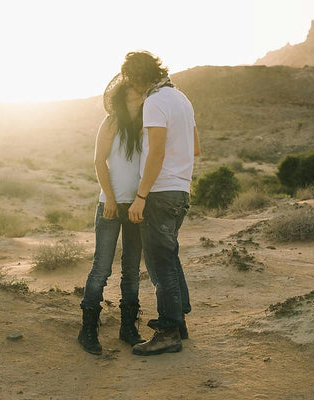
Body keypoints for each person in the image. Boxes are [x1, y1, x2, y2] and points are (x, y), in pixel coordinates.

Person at [122, 51, 201, 356]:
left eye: (131, 78)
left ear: (139, 76)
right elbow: (195, 148)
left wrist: (141, 196)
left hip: (159, 192)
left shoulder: (154, 102)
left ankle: (168, 332)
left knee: (159, 262)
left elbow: (155, 154)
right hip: (181, 190)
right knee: (169, 255)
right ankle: (178, 322)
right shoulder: (182, 99)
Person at [77, 74, 147, 355]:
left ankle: (128, 328)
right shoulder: (111, 122)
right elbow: (98, 161)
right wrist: (111, 199)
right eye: (134, 90)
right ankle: (88, 330)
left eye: (142, 92)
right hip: (111, 204)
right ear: (123, 93)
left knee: (131, 270)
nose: (140, 94)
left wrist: (140, 200)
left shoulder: (147, 123)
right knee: (101, 268)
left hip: (137, 206)